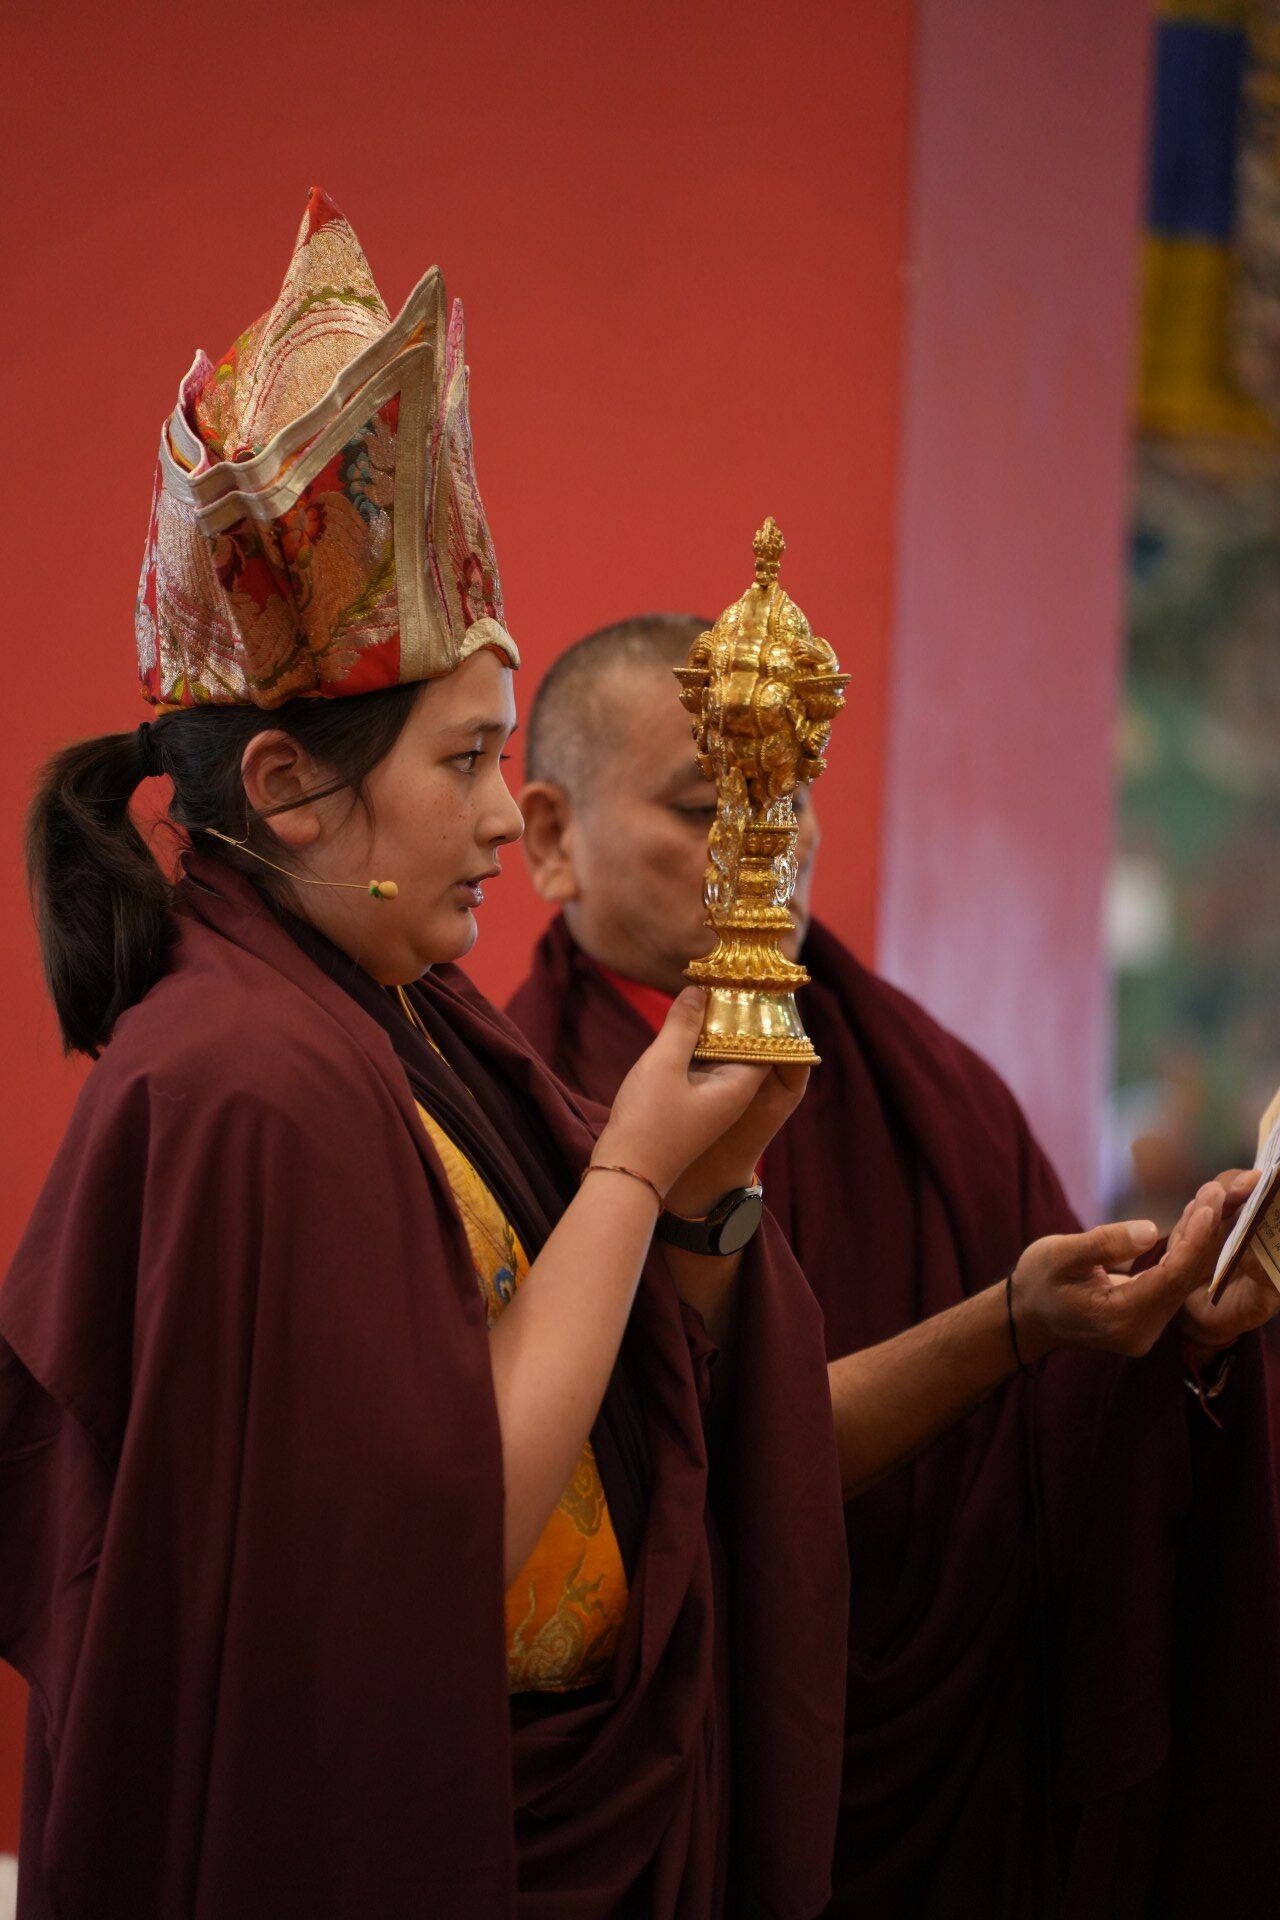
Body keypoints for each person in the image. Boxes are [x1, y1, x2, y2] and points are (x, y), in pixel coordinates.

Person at [0, 194, 854, 1920]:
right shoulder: (250, 1078)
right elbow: (433, 1557)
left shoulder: (381, 1011)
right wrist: (631, 1166)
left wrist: (706, 1186)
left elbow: (605, 1382)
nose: (497, 820)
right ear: (289, 792)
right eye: (464, 763)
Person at [507, 613, 1280, 1920]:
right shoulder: (514, 1114)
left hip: (952, 1769)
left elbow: (1051, 1450)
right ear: (547, 836)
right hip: (663, 1774)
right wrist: (1011, 1324)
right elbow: (666, 1471)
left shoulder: (930, 1093)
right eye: (705, 806)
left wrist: (1174, 1339)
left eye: (792, 796)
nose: (775, 843)